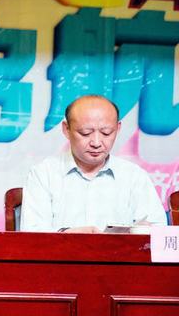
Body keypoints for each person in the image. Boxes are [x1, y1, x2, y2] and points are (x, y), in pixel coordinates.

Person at [20, 95, 167, 233]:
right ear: (66, 129)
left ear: (118, 128)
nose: (96, 143)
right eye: (85, 133)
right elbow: (32, 235)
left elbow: (158, 231)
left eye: (106, 133)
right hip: (63, 252)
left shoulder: (134, 176)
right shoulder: (43, 174)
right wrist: (67, 235)